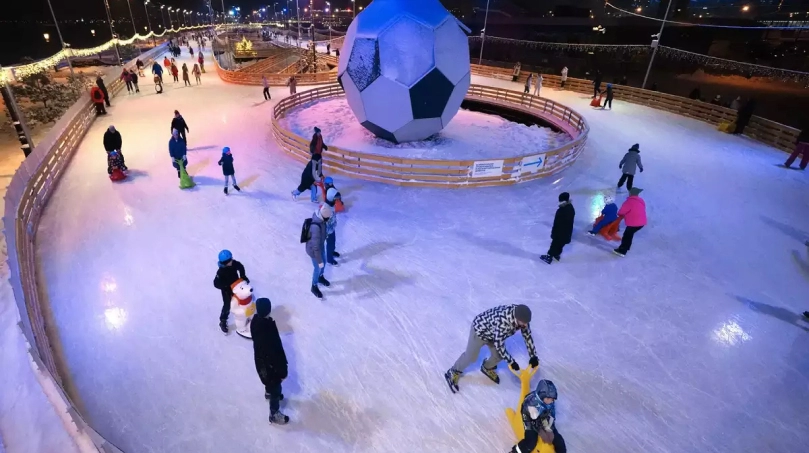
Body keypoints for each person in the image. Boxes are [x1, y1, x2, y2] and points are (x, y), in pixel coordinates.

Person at [444, 304, 537, 392]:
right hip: (480, 331)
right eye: (523, 323)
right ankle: (453, 371)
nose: (525, 325)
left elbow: (527, 336)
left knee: (499, 356)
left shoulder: (523, 319)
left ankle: (487, 367)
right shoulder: (504, 321)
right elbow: (499, 344)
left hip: (493, 334)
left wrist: (533, 356)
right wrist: (511, 362)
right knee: (471, 357)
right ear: (517, 318)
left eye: (526, 323)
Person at [251, 297, 290, 425]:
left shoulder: (256, 322)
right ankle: (274, 413)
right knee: (275, 388)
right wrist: (282, 370)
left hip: (263, 364)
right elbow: (274, 352)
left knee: (271, 385)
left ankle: (269, 392)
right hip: (269, 367)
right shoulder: (266, 329)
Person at [510, 379, 567, 453]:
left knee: (558, 439)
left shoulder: (550, 403)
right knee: (530, 442)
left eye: (552, 399)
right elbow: (533, 418)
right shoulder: (532, 402)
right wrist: (540, 428)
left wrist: (549, 426)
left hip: (543, 417)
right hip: (529, 419)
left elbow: (552, 414)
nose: (551, 401)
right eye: (549, 398)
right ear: (542, 396)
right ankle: (515, 451)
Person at [213, 250, 250, 334]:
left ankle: (244, 316)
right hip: (227, 290)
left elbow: (240, 266)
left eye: (231, 259)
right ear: (225, 262)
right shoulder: (221, 272)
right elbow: (216, 284)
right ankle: (223, 320)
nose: (232, 261)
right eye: (230, 260)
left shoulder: (233, 264)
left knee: (242, 300)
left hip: (236, 286)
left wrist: (243, 276)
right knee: (227, 305)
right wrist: (226, 285)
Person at [305, 204, 333, 299]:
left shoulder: (322, 218)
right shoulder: (315, 227)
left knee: (324, 263)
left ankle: (320, 277)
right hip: (314, 250)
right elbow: (315, 247)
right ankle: (314, 286)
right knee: (318, 267)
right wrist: (319, 260)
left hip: (320, 246)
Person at [540, 192, 575, 264]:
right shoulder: (570, 208)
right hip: (567, 232)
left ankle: (549, 257)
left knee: (554, 244)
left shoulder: (563, 210)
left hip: (560, 232)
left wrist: (554, 233)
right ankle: (556, 255)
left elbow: (558, 223)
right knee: (560, 244)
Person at [613, 187, 647, 257]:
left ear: (630, 193)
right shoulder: (641, 200)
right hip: (642, 222)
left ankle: (622, 251)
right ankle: (627, 247)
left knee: (627, 235)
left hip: (634, 223)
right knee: (629, 234)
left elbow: (621, 212)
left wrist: (619, 215)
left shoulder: (628, 202)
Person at [324, 187, 341, 266]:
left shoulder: (331, 204)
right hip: (327, 231)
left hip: (332, 228)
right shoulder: (326, 208)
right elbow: (324, 222)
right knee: (329, 244)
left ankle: (332, 251)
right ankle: (329, 259)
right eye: (335, 198)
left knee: (333, 242)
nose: (336, 200)